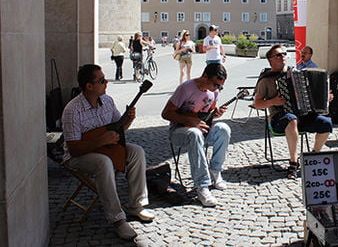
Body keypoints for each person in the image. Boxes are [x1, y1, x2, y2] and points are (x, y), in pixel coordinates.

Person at [61, 64, 154, 240]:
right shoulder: (72, 110)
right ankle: (117, 219)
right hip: (78, 156)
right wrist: (101, 140)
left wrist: (128, 120)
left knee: (137, 152)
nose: (107, 83)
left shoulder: (108, 101)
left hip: (104, 149)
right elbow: (73, 148)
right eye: (102, 80)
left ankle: (137, 205)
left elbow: (118, 130)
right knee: (104, 162)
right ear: (89, 86)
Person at [253, 44, 332, 179]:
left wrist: (326, 98)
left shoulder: (297, 73)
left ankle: (312, 156)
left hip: (303, 115)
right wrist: (273, 102)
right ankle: (293, 162)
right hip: (279, 119)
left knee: (326, 124)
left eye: (284, 54)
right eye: (278, 55)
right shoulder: (266, 79)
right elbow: (257, 104)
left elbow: (313, 94)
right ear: (271, 59)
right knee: (291, 120)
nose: (283, 56)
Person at [161, 63, 231, 207]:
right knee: (194, 133)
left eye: (220, 86)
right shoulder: (186, 88)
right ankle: (202, 186)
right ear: (205, 76)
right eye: (215, 84)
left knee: (223, 128)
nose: (217, 89)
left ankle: (215, 171)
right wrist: (189, 121)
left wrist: (215, 114)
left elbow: (207, 114)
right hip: (179, 131)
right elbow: (166, 113)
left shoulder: (214, 92)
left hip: (201, 129)